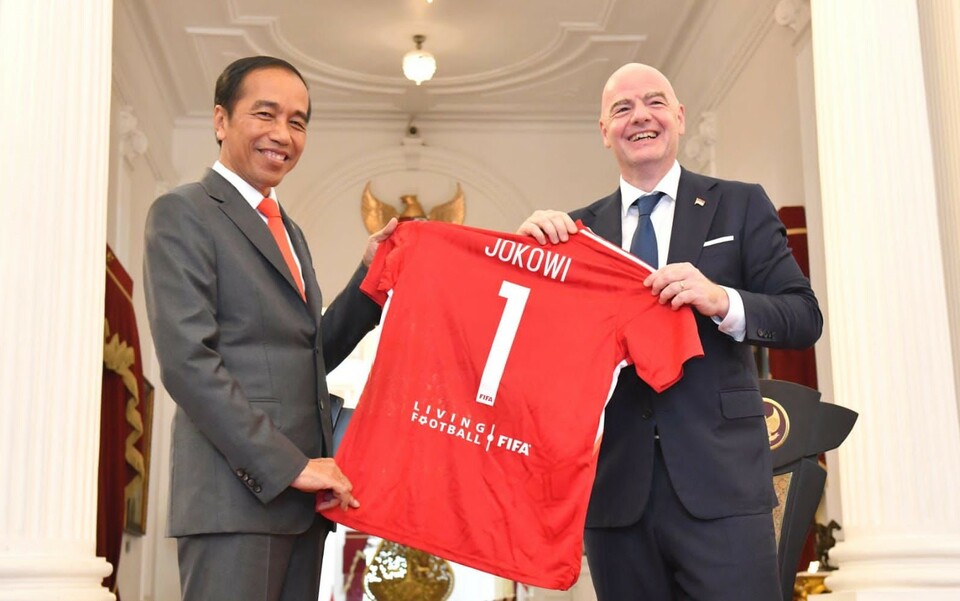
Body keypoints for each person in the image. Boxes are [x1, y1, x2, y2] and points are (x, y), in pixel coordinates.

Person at [517, 63, 822, 600]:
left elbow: (802, 317)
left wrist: (722, 300)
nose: (640, 117)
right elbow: (536, 358)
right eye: (622, 108)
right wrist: (527, 265)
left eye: (655, 103)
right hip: (617, 496)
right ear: (604, 129)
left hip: (724, 490)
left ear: (679, 118)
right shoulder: (574, 234)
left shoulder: (740, 203)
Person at [143, 56, 396, 601]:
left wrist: (369, 278)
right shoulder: (183, 212)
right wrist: (290, 466)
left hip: (303, 507)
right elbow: (189, 363)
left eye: (299, 121)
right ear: (220, 121)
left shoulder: (291, 233)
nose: (283, 134)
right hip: (237, 501)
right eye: (266, 114)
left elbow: (308, 358)